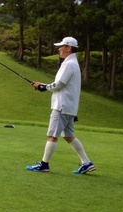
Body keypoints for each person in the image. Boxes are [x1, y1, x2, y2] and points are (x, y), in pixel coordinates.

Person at [27, 36, 96, 174]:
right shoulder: (71, 63)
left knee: (52, 135)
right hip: (69, 106)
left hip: (61, 106)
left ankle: (44, 164)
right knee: (68, 135)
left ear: (68, 48)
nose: (59, 49)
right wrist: (43, 85)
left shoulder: (69, 64)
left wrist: (43, 87)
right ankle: (87, 163)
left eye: (61, 46)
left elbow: (58, 85)